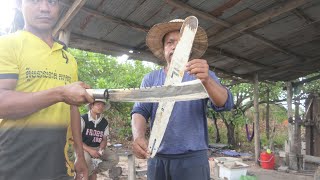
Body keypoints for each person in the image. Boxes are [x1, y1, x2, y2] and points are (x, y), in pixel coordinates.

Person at [0, 0, 93, 179]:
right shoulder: (7, 44)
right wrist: (60, 93)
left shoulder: (68, 59)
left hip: (59, 166)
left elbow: (73, 109)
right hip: (12, 166)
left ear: (60, 7)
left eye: (52, 2)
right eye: (35, 1)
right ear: (19, 5)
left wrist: (80, 156)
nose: (44, 8)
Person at [131, 18, 234, 180]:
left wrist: (206, 80)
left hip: (192, 159)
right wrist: (138, 136)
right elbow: (140, 110)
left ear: (189, 48)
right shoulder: (150, 79)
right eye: (170, 42)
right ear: (164, 49)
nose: (174, 46)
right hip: (157, 156)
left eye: (181, 42)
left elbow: (225, 103)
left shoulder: (203, 74)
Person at [79, 99, 119, 180]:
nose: (101, 107)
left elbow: (104, 139)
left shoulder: (104, 122)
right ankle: (89, 172)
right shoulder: (83, 119)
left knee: (114, 158)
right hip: (83, 147)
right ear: (91, 106)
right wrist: (90, 150)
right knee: (86, 160)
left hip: (97, 147)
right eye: (98, 104)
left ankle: (93, 170)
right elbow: (76, 139)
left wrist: (101, 149)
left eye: (102, 105)